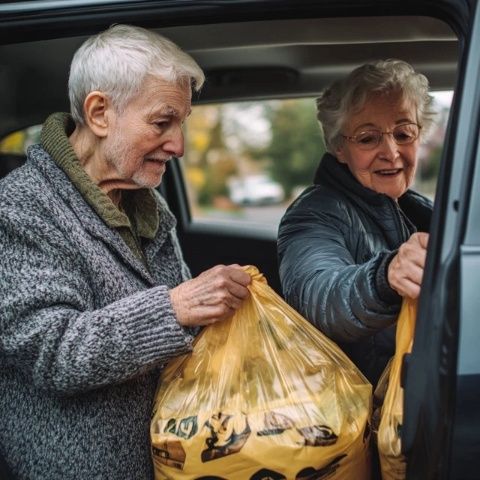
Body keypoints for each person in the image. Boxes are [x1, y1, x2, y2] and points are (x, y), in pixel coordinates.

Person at [0, 24, 251, 480]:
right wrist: (176, 308)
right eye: (162, 122)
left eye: (181, 124)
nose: (177, 145)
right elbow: (54, 351)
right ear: (99, 114)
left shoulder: (143, 199)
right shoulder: (17, 208)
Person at [277, 59, 435, 386]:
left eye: (404, 133)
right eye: (367, 138)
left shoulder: (421, 211)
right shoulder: (313, 212)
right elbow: (318, 296)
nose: (391, 152)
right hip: (364, 417)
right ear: (339, 147)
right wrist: (384, 277)